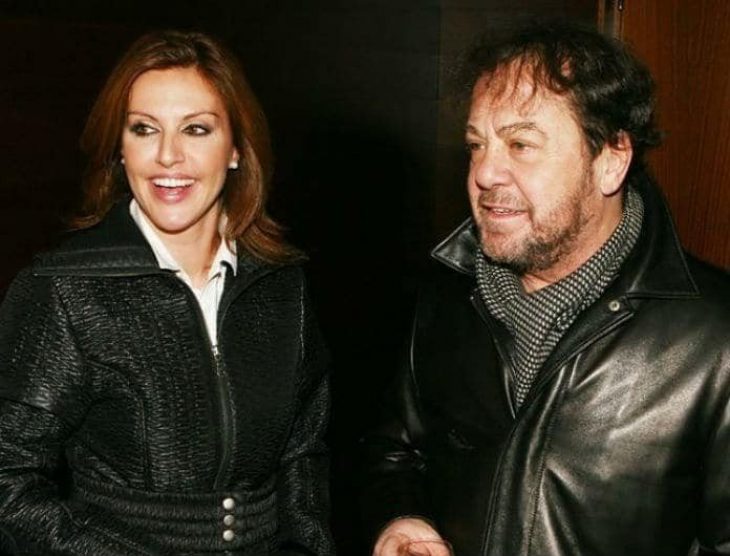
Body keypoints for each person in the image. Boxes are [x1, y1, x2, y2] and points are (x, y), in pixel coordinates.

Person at [360, 21, 730, 556]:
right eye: (476, 144)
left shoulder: (714, 337)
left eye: (521, 144)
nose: (485, 172)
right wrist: (400, 518)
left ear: (610, 161)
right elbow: (394, 451)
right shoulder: (448, 293)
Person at [0, 30, 333, 556]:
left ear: (236, 149)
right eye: (144, 129)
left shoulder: (281, 285)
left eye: (196, 129)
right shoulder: (65, 291)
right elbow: (8, 482)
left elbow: (303, 455)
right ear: (120, 148)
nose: (167, 156)